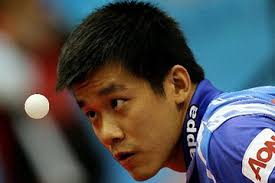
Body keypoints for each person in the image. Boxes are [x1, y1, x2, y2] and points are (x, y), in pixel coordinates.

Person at [56, 1, 275, 182]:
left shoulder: (226, 138)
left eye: (117, 103)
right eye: (92, 114)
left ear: (177, 84)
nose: (107, 134)